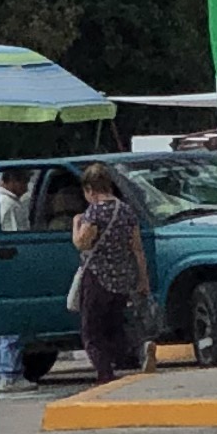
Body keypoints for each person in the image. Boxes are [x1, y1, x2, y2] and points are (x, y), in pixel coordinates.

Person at [68, 163, 149, 383]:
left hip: (97, 277)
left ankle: (105, 373)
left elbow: (81, 243)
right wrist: (143, 280)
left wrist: (76, 223)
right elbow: (137, 248)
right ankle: (134, 354)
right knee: (114, 325)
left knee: (92, 332)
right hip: (122, 278)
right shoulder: (126, 210)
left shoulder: (94, 212)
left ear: (89, 189)